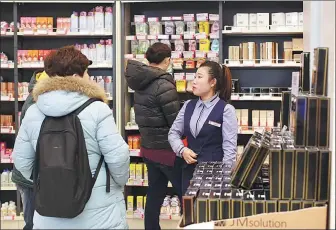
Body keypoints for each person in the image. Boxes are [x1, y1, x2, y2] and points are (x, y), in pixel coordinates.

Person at [12, 46, 130, 229]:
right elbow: (118, 157)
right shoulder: (97, 109)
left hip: (48, 211)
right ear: (77, 77)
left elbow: (22, 161)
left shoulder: (34, 111)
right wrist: (115, 184)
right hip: (98, 214)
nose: (90, 78)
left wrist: (50, 179)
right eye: (87, 73)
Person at [125, 42, 182, 230]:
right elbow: (175, 121)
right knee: (186, 192)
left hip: (149, 148)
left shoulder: (140, 81)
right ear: (167, 60)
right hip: (167, 150)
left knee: (155, 192)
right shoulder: (163, 83)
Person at [168, 61, 238, 194]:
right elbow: (173, 133)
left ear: (212, 82)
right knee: (188, 212)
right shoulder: (188, 105)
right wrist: (182, 150)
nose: (194, 81)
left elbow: (229, 149)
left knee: (208, 213)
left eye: (199, 77)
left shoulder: (226, 110)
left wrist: (224, 180)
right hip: (189, 173)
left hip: (213, 177)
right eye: (194, 77)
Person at [11, 69, 49, 230]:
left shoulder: (39, 98)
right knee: (32, 223)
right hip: (30, 178)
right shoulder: (36, 103)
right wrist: (33, 178)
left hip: (33, 175)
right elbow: (22, 154)